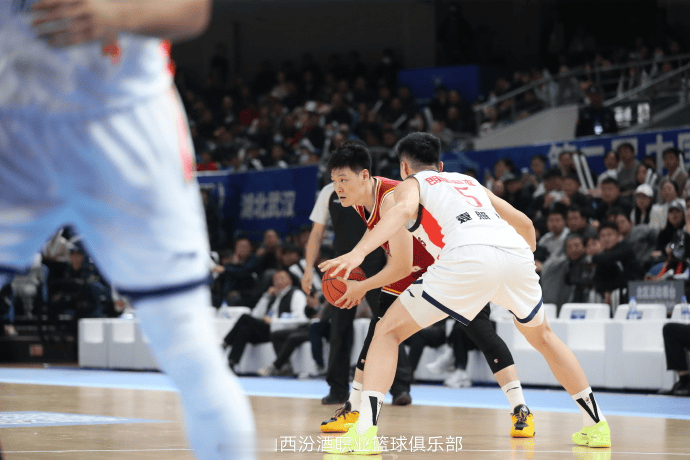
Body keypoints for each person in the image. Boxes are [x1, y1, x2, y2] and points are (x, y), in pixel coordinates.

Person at [0, 2, 254, 459]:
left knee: (189, 349)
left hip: (122, 120)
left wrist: (118, 14)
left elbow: (193, 10)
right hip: (12, 123)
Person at [321, 133, 610, 454]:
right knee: (544, 337)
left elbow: (402, 214)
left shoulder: (408, 185)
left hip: (465, 259)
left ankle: (364, 433)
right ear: (440, 165)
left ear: (404, 168)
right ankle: (596, 425)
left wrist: (358, 253)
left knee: (386, 332)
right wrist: (518, 262)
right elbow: (527, 224)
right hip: (515, 255)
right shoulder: (468, 181)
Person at [320, 142, 538, 438]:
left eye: (343, 180)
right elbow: (397, 256)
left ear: (364, 175)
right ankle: (353, 409)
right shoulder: (361, 199)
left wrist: (362, 286)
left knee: (481, 332)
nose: (338, 188)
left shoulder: (391, 197)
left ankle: (520, 408)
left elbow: (401, 266)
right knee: (377, 335)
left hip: (451, 265)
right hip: (414, 267)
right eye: (334, 181)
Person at [301, 177, 389, 405]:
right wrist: (308, 268)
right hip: (341, 266)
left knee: (387, 323)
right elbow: (316, 233)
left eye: (342, 173)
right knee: (338, 328)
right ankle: (338, 389)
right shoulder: (328, 192)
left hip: (374, 262)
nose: (337, 179)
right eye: (334, 174)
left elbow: (389, 228)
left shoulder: (374, 188)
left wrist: (391, 263)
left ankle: (400, 387)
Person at [222, 269, 307, 372]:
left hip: (279, 329)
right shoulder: (273, 296)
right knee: (243, 330)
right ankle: (231, 363)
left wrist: (273, 321)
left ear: (290, 280)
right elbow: (256, 314)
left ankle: (224, 344)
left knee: (245, 317)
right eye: (275, 279)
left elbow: (300, 318)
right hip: (266, 329)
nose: (278, 281)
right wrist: (266, 297)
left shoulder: (296, 294)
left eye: (282, 278)